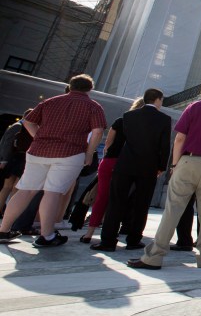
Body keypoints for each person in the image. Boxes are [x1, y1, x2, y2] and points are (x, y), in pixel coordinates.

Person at [127, 82, 201, 270]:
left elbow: (179, 138)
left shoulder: (195, 107)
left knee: (173, 208)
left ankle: (155, 256)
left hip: (189, 161)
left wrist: (175, 164)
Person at [0, 74, 106, 247]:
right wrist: (89, 153)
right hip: (69, 153)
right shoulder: (93, 106)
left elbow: (28, 121)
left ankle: (3, 230)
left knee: (25, 190)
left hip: (38, 152)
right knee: (52, 192)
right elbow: (98, 131)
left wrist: (38, 137)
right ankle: (46, 235)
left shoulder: (50, 101)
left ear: (70, 86)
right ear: (90, 89)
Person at [92, 89, 170, 252]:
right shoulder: (164, 119)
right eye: (161, 100)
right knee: (141, 204)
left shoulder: (128, 116)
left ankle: (108, 240)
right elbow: (164, 146)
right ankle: (133, 239)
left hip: (125, 164)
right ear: (157, 100)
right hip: (149, 167)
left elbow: (125, 140)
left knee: (116, 201)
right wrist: (162, 166)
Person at [80, 97, 144, 243]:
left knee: (102, 196)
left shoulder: (120, 121)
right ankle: (111, 231)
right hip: (127, 164)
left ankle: (89, 232)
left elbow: (108, 144)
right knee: (119, 199)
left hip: (109, 161)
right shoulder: (143, 126)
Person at [0, 109, 33, 216]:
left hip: (14, 159)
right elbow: (7, 144)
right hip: (21, 159)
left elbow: (5, 144)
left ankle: (4, 210)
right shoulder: (22, 127)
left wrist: (4, 160)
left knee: (7, 186)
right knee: (15, 187)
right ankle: (9, 212)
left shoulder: (17, 126)